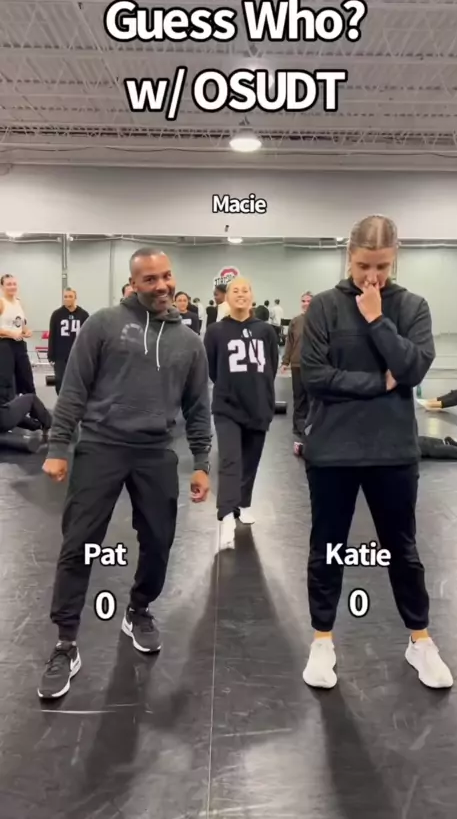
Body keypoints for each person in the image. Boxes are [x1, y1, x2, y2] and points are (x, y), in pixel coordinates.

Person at [39, 249, 211, 700]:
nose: (162, 285)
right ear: (133, 283)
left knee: (158, 539)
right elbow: (73, 388)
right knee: (79, 542)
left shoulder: (189, 342)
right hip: (101, 446)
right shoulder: (103, 324)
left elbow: (198, 407)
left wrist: (202, 462)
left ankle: (138, 609)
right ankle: (65, 642)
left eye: (166, 276)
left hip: (156, 451)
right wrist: (58, 447)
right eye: (150, 279)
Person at [301, 214, 453, 691]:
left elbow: (412, 369)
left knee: (402, 549)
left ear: (395, 259)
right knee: (328, 547)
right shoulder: (324, 307)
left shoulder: (412, 307)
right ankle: (322, 640)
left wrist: (376, 318)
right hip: (333, 451)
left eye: (382, 266)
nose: (372, 276)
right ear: (349, 256)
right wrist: (377, 383)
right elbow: (315, 376)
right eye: (364, 265)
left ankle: (420, 640)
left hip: (393, 452)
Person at [204, 277, 278, 548]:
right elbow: (212, 368)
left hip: (258, 405)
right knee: (230, 460)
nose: (241, 294)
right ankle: (226, 515)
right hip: (227, 407)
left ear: (252, 296)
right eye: (235, 290)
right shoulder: (215, 331)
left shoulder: (265, 331)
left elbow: (270, 366)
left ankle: (243, 504)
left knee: (250, 461)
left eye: (245, 290)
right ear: (227, 297)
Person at [281, 291, 313, 455]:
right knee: (299, 397)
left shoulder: (319, 319)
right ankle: (298, 427)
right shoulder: (295, 321)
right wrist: (285, 361)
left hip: (314, 365)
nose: (306, 303)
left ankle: (310, 425)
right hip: (297, 364)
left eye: (308, 301)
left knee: (312, 397)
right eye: (303, 301)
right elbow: (290, 342)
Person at [0, 342, 51, 437]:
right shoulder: (7, 346)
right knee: (31, 399)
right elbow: (24, 373)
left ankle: (38, 425)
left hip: (5, 414)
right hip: (3, 415)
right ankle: (52, 427)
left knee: (10, 412)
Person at [48, 288, 89, 394]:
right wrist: (51, 355)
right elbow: (52, 335)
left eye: (70, 296)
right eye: (65, 297)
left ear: (75, 298)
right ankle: (62, 401)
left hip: (77, 355)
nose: (67, 299)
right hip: (61, 355)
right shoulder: (57, 315)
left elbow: (87, 337)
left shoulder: (83, 315)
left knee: (77, 382)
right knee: (60, 381)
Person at [0, 274, 35, 394]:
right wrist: (10, 333)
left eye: (14, 284)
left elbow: (21, 324)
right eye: (8, 284)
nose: (12, 287)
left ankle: (30, 402)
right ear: (2, 287)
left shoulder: (18, 303)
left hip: (19, 344)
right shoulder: (1, 303)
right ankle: (6, 404)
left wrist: (26, 331)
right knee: (6, 380)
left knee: (26, 377)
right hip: (4, 344)